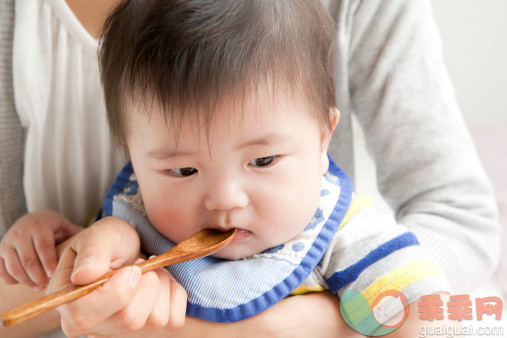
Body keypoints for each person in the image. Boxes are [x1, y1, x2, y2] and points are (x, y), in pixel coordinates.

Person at [0, 0, 500, 336]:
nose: (225, 199)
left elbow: (420, 299)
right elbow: (87, 253)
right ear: (130, 153)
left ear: (324, 137)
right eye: (182, 171)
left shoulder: (344, 234)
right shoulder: (137, 219)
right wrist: (49, 244)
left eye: (263, 161)